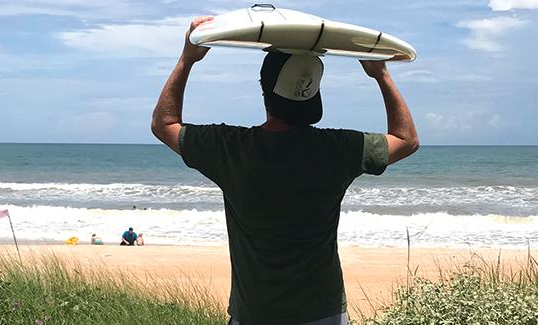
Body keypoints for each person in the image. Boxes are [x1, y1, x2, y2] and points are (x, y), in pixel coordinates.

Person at [150, 17, 419, 325]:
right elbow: (406, 139)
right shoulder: (338, 149)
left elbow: (164, 124)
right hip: (323, 313)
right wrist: (380, 74)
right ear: (313, 94)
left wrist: (188, 59)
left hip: (255, 315)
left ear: (265, 89)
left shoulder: (231, 148)